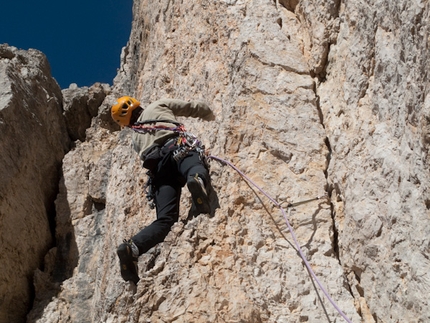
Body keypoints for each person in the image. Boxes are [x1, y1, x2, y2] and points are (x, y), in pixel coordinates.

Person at [111, 96, 216, 284]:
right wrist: (210, 114)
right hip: (177, 150)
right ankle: (196, 180)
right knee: (193, 167)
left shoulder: (135, 137)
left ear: (126, 123)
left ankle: (132, 247)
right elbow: (190, 106)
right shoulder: (157, 106)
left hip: (159, 172)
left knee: (165, 220)